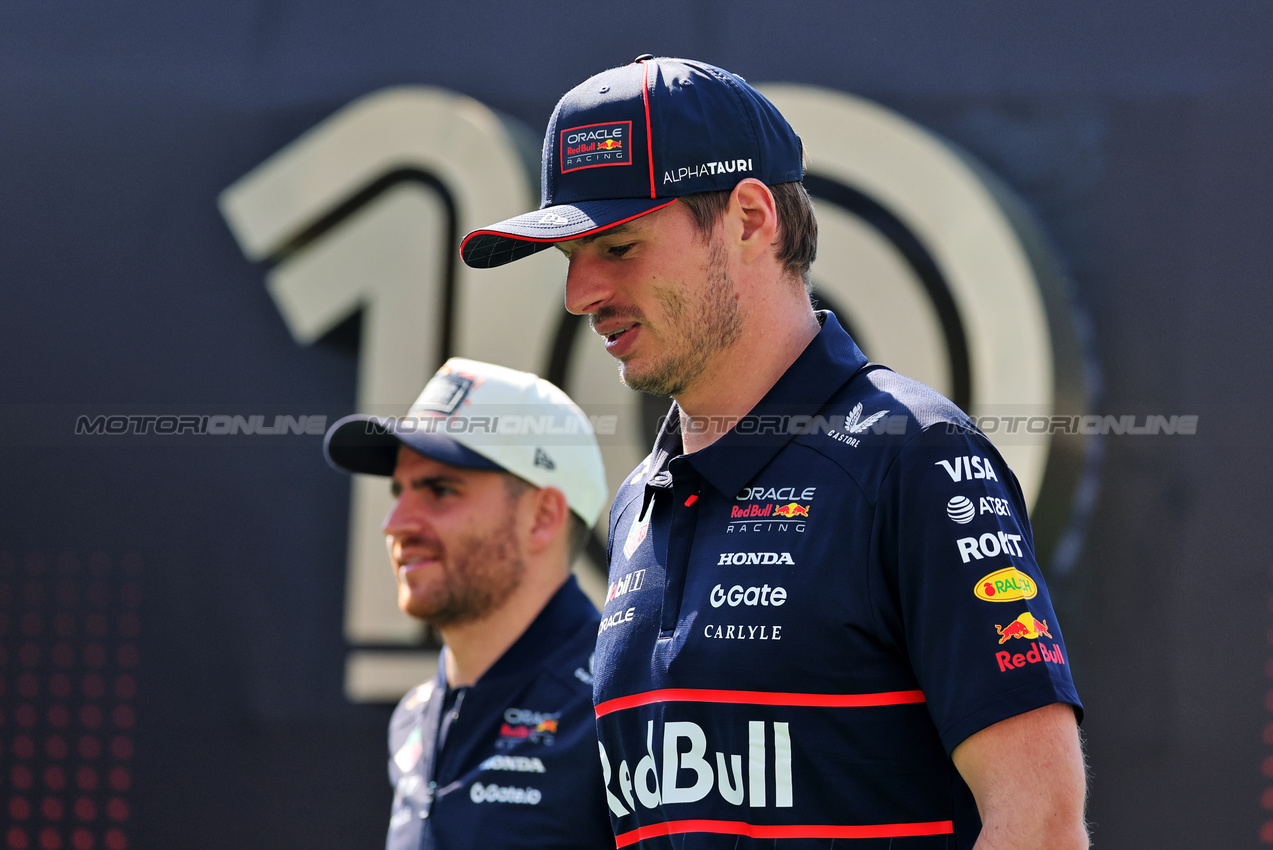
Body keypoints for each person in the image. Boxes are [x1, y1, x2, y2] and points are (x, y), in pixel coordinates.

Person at [459, 57, 1088, 849]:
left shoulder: (913, 458)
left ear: (751, 219)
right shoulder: (635, 504)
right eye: (567, 258)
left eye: (617, 247)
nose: (579, 293)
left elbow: (1038, 820)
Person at [323, 357, 616, 850]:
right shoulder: (413, 718)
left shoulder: (623, 710)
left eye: (440, 490)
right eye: (400, 490)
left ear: (543, 517)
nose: (395, 524)